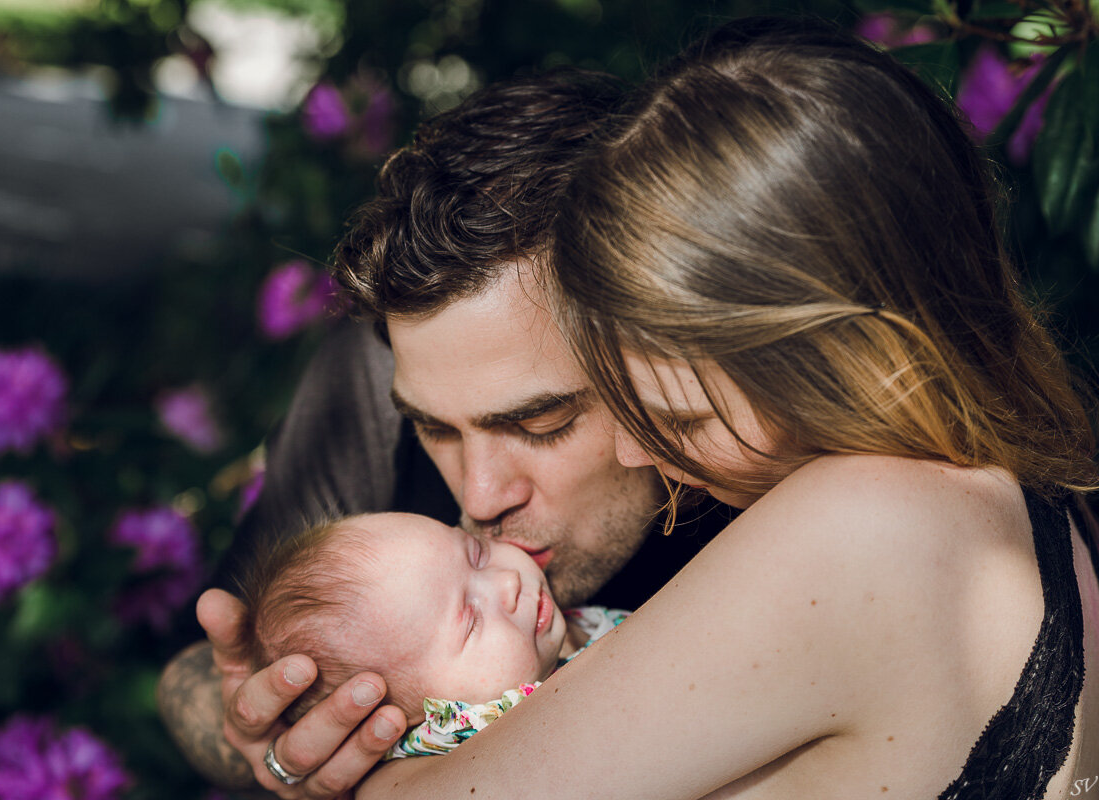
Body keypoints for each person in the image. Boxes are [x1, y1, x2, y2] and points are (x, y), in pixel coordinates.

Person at [348, 16, 1099, 800]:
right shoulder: (1049, 509)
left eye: (682, 423)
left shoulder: (869, 523)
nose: (639, 452)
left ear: (836, 358)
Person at [156, 68, 734, 798]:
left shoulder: (776, 452)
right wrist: (256, 738)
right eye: (433, 429)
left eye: (540, 422)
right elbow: (194, 672)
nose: (481, 496)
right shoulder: (381, 367)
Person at [235, 511, 627, 762]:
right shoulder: (485, 740)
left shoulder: (557, 638)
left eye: (477, 553)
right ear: (425, 719)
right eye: (471, 621)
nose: (507, 581)